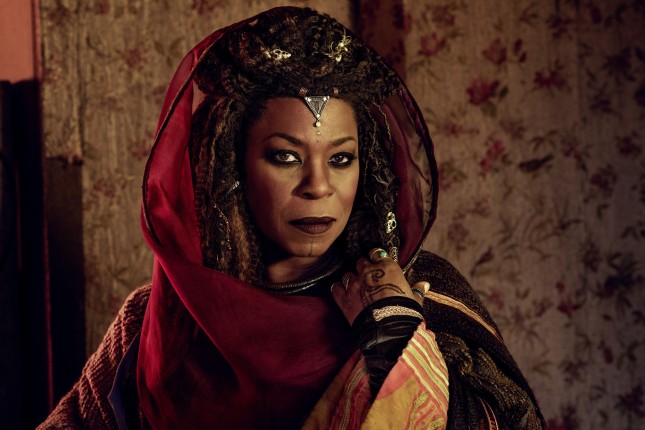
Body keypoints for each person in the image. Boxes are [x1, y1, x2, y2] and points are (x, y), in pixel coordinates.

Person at [39, 6, 545, 429]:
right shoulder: (160, 319)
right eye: (285, 157)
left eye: (341, 158)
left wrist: (394, 335)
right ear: (231, 168)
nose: (318, 186)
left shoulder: (421, 297)